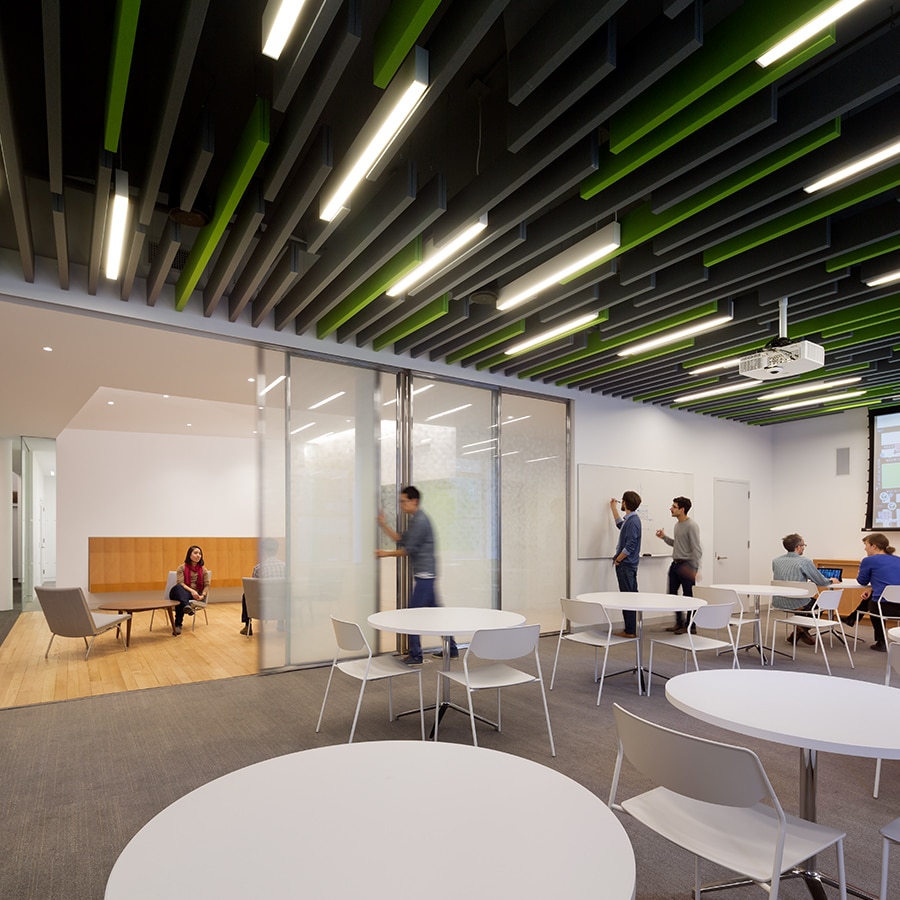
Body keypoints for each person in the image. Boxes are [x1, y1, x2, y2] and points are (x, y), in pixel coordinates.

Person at [376, 486, 458, 665]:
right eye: (400, 502)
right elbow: (401, 539)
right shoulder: (415, 520)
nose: (401, 505)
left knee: (411, 615)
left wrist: (384, 553)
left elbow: (407, 550)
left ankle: (415, 655)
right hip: (426, 575)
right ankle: (451, 649)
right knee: (437, 614)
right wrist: (383, 524)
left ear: (414, 501)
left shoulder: (420, 521)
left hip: (425, 576)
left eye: (404, 501)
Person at [771, 534, 836, 645]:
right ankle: (802, 629)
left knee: (807, 601)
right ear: (798, 547)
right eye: (803, 545)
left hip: (779, 601)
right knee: (819, 604)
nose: (804, 548)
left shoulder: (776, 561)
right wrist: (831, 581)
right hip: (797, 602)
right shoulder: (804, 562)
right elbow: (821, 582)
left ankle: (799, 630)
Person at [655, 496, 702, 634]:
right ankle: (679, 623)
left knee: (689, 597)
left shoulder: (691, 526)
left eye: (674, 507)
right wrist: (664, 537)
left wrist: (694, 568)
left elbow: (696, 549)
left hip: (687, 565)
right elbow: (678, 544)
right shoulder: (677, 525)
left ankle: (690, 626)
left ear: (682, 510)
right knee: (672, 595)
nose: (671, 509)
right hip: (675, 564)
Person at [855, 532, 900, 652]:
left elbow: (862, 581)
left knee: (873, 603)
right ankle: (852, 618)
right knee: (873, 598)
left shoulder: (869, 560)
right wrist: (872, 589)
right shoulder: (898, 559)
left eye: (866, 545)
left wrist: (860, 570)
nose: (865, 548)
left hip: (883, 607)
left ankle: (881, 642)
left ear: (874, 546)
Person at [609, 491, 642, 638]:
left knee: (627, 598)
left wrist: (618, 559)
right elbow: (620, 525)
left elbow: (630, 546)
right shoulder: (630, 520)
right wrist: (613, 509)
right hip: (627, 565)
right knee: (630, 597)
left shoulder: (633, 521)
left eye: (622, 501)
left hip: (626, 565)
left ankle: (630, 631)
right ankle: (630, 629)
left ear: (625, 502)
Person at [240, 538, 286, 635]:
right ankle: (281, 622)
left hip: (264, 603)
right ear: (277, 550)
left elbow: (253, 590)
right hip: (281, 602)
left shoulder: (258, 568)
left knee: (246, 595)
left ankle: (248, 626)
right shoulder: (285, 566)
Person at [170, 545, 210, 635]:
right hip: (178, 591)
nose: (198, 555)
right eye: (195, 553)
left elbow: (207, 585)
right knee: (178, 588)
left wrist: (202, 595)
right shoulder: (181, 568)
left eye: (200, 553)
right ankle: (186, 606)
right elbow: (180, 583)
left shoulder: (203, 570)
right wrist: (192, 591)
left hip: (190, 596)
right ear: (189, 555)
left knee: (180, 601)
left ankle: (178, 625)